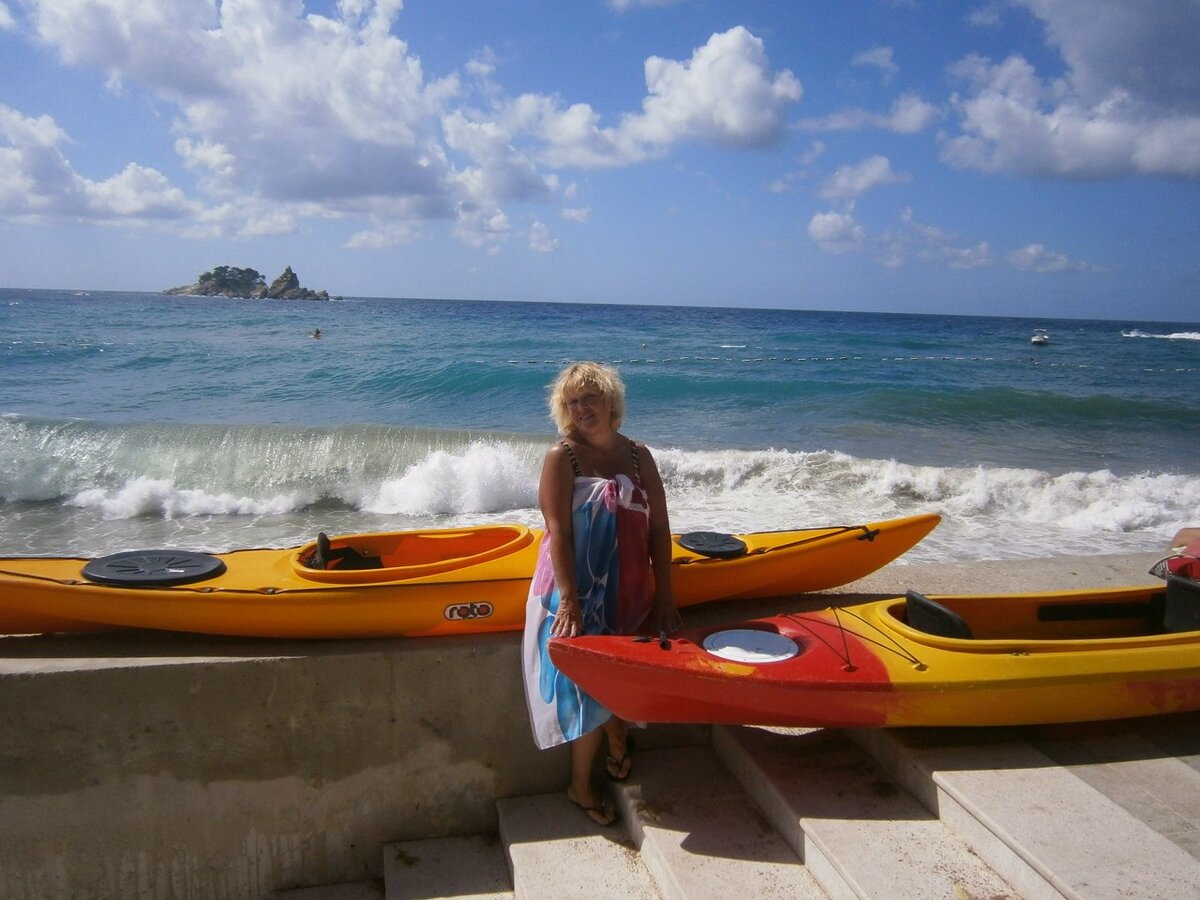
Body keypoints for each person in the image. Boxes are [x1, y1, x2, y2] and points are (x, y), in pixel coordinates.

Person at [521, 362, 681, 826]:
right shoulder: (562, 456)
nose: (580, 408)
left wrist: (664, 593)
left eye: (589, 398)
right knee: (585, 686)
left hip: (626, 585)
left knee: (620, 676)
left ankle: (617, 744)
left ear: (611, 402)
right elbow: (559, 532)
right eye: (572, 401)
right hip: (575, 587)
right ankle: (580, 786)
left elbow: (659, 527)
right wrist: (570, 601)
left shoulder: (638, 456)